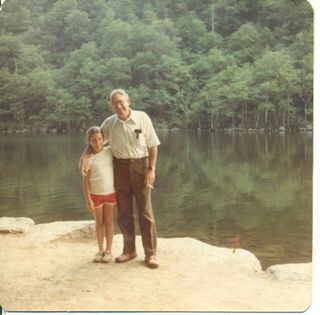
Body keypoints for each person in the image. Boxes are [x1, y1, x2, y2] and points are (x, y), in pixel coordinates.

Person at [80, 88, 160, 268]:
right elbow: (95, 140)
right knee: (124, 212)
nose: (118, 105)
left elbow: (153, 145)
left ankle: (151, 254)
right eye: (114, 103)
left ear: (128, 101)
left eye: (121, 102)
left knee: (145, 211)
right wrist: (84, 158)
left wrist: (151, 169)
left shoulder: (142, 118)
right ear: (111, 106)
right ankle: (129, 250)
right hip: (121, 168)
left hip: (141, 165)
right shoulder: (109, 124)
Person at [82, 126, 116, 263]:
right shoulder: (88, 159)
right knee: (99, 222)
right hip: (95, 195)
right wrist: (88, 199)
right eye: (94, 140)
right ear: (89, 142)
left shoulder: (110, 152)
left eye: (100, 139)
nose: (98, 142)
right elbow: (85, 182)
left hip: (111, 193)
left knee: (108, 221)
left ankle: (108, 250)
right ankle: (100, 250)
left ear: (104, 139)